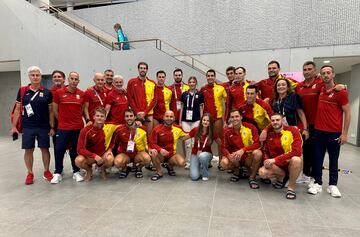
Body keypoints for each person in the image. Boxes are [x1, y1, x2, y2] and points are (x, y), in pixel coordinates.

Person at [307, 65, 351, 198]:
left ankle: (333, 185)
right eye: (323, 73)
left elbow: (348, 113)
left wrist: (344, 133)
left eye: (328, 73)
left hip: (334, 132)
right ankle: (318, 183)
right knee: (317, 158)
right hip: (319, 131)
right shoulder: (320, 89)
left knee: (333, 159)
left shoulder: (341, 92)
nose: (326, 75)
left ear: (333, 74)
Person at [11, 66, 54, 185]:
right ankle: (30, 173)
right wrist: (14, 126)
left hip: (43, 126)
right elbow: (17, 109)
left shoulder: (47, 92)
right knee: (28, 150)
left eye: (37, 75)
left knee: (44, 149)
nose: (35, 77)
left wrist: (51, 126)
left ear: (41, 77)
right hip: (28, 126)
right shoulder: (22, 90)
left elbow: (50, 111)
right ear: (29, 76)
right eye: (33, 75)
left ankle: (46, 171)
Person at [51, 72, 85, 184]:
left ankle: (76, 171)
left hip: (78, 127)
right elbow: (55, 111)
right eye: (72, 78)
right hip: (63, 128)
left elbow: (83, 110)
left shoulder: (81, 94)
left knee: (75, 150)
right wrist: (62, 120)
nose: (74, 80)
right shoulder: (59, 93)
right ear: (68, 80)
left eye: (76, 79)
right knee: (59, 149)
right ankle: (58, 172)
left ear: (78, 81)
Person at [259, 113, 303, 199]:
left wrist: (275, 160)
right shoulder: (268, 133)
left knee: (297, 159)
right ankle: (282, 178)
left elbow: (297, 151)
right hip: (278, 165)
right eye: (273, 120)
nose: (275, 122)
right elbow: (264, 150)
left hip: (290, 163)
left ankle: (291, 188)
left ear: (282, 121)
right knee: (262, 172)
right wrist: (266, 160)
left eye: (277, 120)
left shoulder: (292, 131)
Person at [220, 109, 262, 189]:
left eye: (237, 116)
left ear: (241, 117)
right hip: (235, 158)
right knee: (223, 163)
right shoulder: (227, 131)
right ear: (230, 119)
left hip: (248, 156)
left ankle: (252, 178)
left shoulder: (250, 127)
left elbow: (257, 144)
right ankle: (237, 172)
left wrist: (243, 150)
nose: (234, 119)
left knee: (258, 153)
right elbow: (223, 147)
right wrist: (229, 156)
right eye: (232, 117)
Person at [75, 107, 114, 181]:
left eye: (102, 116)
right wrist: (94, 156)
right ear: (94, 117)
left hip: (103, 155)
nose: (99, 118)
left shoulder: (109, 128)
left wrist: (109, 150)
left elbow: (114, 140)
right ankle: (89, 170)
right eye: (98, 116)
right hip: (91, 156)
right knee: (79, 160)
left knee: (110, 159)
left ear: (105, 118)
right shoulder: (86, 130)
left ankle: (103, 168)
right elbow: (79, 149)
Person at [149, 110, 189, 181]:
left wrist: (197, 131)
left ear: (174, 118)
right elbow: (152, 143)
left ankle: (169, 165)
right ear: (163, 117)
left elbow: (185, 136)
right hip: (160, 155)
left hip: (171, 155)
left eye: (171, 117)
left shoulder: (178, 128)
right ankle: (159, 172)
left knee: (182, 163)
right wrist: (160, 150)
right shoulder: (157, 129)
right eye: (167, 116)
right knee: (153, 153)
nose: (169, 118)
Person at [112, 109, 151, 178]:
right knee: (117, 163)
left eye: (131, 116)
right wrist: (113, 156)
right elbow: (114, 144)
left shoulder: (142, 128)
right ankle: (125, 168)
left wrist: (150, 150)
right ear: (124, 118)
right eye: (127, 116)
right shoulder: (119, 130)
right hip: (125, 154)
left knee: (147, 159)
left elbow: (148, 142)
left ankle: (138, 168)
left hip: (137, 154)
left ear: (135, 117)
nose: (129, 118)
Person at [201, 69, 227, 170]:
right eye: (208, 76)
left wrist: (226, 118)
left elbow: (227, 101)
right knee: (207, 141)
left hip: (218, 119)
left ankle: (221, 162)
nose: (210, 77)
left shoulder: (221, 88)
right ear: (206, 77)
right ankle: (207, 161)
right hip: (206, 120)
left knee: (219, 141)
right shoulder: (203, 89)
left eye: (212, 75)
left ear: (215, 77)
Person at [179, 76, 204, 168]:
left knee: (195, 141)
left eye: (193, 82)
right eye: (190, 82)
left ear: (196, 83)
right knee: (187, 142)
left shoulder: (200, 94)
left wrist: (201, 121)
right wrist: (180, 121)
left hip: (196, 120)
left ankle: (196, 161)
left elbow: (201, 109)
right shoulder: (184, 94)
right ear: (188, 83)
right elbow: (181, 108)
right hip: (185, 121)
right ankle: (188, 162)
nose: (192, 84)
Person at [126, 62, 156, 134]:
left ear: (147, 70)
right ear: (138, 69)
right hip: (136, 115)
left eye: (144, 68)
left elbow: (154, 100)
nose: (143, 70)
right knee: (135, 136)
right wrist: (137, 112)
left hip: (148, 114)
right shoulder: (131, 82)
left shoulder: (152, 83)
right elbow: (130, 98)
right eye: (141, 68)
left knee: (149, 136)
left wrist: (145, 112)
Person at [189, 113, 220, 181]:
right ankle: (198, 167)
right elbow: (184, 137)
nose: (205, 122)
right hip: (195, 153)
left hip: (206, 154)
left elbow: (220, 143)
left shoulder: (212, 132)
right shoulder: (195, 130)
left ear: (210, 122)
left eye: (208, 121)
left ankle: (205, 174)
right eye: (204, 120)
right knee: (194, 177)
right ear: (201, 121)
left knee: (203, 156)